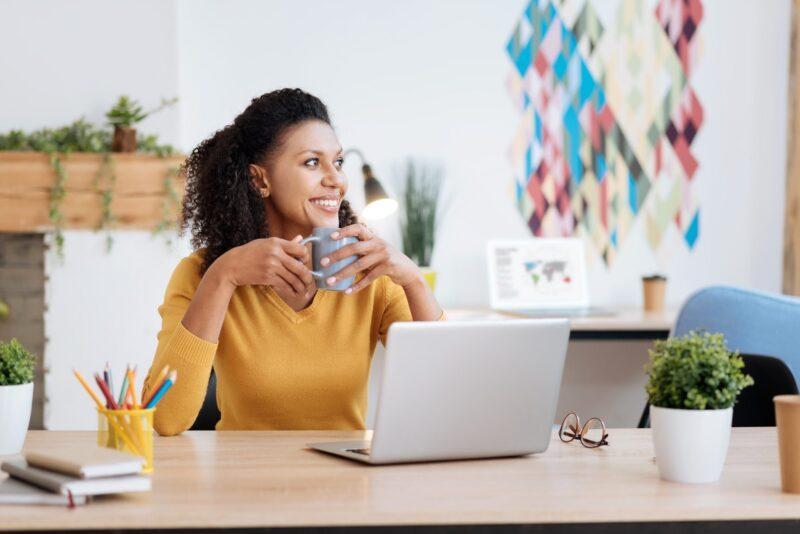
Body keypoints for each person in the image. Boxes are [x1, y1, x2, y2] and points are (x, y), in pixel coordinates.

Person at [143, 89, 444, 435]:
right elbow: (165, 418)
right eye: (312, 162)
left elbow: (443, 394)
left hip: (346, 481)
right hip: (242, 481)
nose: (337, 180)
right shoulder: (203, 273)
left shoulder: (372, 273)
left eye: (339, 162)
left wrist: (413, 281)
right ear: (260, 179)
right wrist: (223, 275)